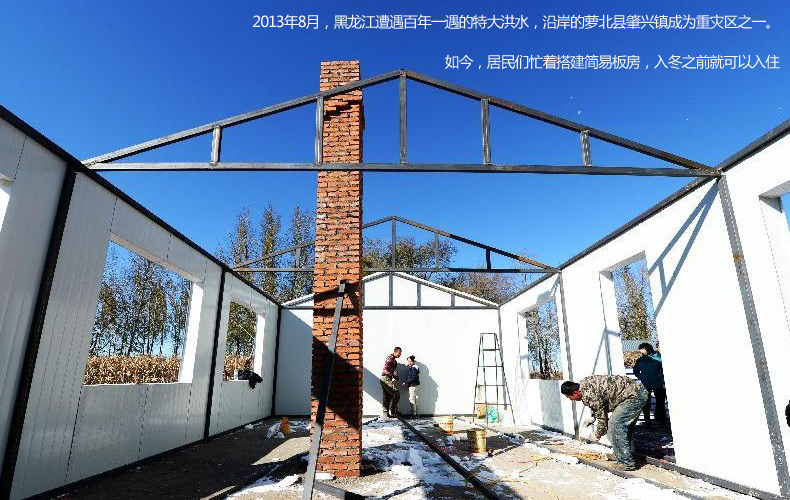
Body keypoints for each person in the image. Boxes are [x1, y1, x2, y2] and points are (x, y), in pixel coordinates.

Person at [561, 375, 648, 471]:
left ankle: (626, 463)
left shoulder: (588, 394)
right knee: (622, 428)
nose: (571, 399)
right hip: (635, 393)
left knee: (615, 425)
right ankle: (621, 455)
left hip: (634, 396)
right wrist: (593, 417)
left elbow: (602, 418)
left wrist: (598, 434)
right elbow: (600, 402)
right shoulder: (583, 385)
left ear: (575, 392)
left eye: (569, 397)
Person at [632, 342, 667, 427]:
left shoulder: (658, 358)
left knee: (660, 403)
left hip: (658, 384)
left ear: (646, 349)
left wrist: (661, 379)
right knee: (646, 404)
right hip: (646, 385)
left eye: (642, 350)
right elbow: (635, 370)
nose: (641, 352)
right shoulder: (640, 360)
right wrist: (641, 377)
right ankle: (648, 423)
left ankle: (663, 423)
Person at [380, 347, 402, 419]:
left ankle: (385, 414)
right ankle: (393, 412)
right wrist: (393, 374)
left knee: (387, 397)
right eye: (399, 353)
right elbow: (386, 369)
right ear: (395, 352)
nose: (400, 354)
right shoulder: (390, 358)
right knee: (396, 394)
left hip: (386, 378)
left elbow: (391, 370)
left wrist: (394, 375)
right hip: (385, 378)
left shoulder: (394, 360)